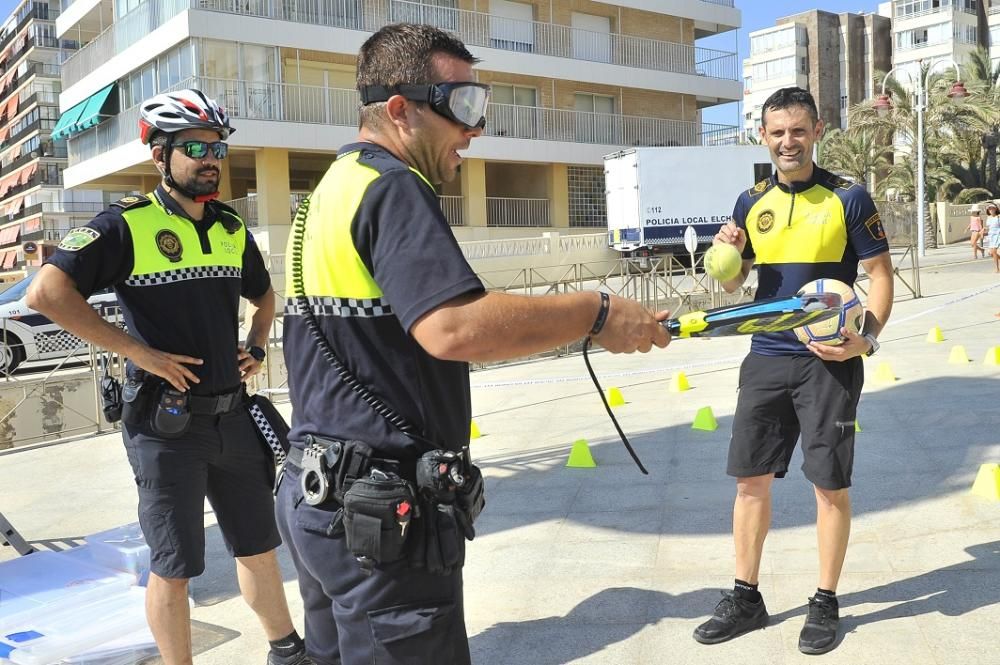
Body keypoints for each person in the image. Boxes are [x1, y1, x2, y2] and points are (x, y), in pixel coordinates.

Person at [277, 23, 671, 665]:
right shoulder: (393, 188)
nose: (475, 128)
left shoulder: (329, 189)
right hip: (378, 521)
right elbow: (452, 327)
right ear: (400, 111)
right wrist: (595, 313)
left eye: (479, 105)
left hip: (319, 500)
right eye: (461, 106)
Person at [27, 90, 311, 665]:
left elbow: (265, 298)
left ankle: (287, 652)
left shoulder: (231, 226)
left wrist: (256, 346)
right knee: (175, 566)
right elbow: (47, 293)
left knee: (259, 549)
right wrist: (141, 353)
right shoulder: (125, 226)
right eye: (195, 148)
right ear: (160, 155)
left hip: (233, 417)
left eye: (218, 148)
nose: (211, 158)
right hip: (165, 428)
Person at [692, 87, 893, 655]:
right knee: (749, 481)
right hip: (766, 359)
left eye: (798, 130)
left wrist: (867, 340)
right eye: (777, 132)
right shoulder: (749, 202)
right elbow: (733, 283)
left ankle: (825, 601)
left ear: (817, 130)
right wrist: (725, 249)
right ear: (763, 135)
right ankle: (745, 596)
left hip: (828, 363)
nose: (788, 141)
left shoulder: (848, 198)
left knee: (829, 485)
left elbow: (880, 275)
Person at [984, 202, 1000, 273]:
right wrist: (983, 230)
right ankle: (997, 268)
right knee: (992, 253)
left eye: (992, 208)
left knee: (996, 251)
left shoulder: (999, 216)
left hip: (998, 235)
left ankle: (997, 268)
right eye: (989, 209)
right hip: (991, 236)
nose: (991, 210)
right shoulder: (988, 218)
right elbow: (989, 228)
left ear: (996, 209)